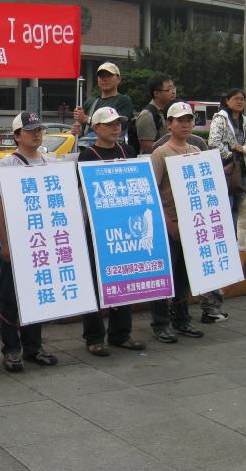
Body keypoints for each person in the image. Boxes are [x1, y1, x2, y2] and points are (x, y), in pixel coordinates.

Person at [0, 111, 59, 372]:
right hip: (14, 242)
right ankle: (11, 349)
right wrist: (5, 242)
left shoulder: (50, 161)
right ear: (17, 136)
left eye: (39, 130)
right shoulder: (7, 165)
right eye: (30, 131)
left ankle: (33, 346)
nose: (36, 134)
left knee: (37, 293)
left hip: (40, 242)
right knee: (9, 298)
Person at [78, 107, 146, 356]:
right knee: (95, 282)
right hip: (99, 228)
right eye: (109, 124)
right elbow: (85, 192)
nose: (116, 128)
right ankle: (94, 336)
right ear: (96, 128)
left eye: (118, 123)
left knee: (124, 277)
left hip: (126, 226)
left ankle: (121, 333)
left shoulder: (127, 151)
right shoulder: (87, 156)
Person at [148, 102, 205, 343]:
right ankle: (160, 323)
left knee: (184, 275)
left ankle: (182, 319)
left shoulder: (196, 150)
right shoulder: (160, 153)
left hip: (191, 224)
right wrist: (169, 223)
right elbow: (152, 192)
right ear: (169, 124)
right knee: (164, 276)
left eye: (189, 120)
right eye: (179, 120)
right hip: (168, 224)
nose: (185, 124)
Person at [207, 89, 246, 230]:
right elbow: (213, 142)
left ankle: (234, 239)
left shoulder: (245, 122)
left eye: (242, 99)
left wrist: (243, 149)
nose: (239, 101)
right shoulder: (220, 119)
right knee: (226, 208)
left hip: (241, 171)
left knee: (236, 209)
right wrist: (230, 153)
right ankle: (226, 237)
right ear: (227, 101)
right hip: (224, 170)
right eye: (236, 98)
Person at [72, 62, 134, 145]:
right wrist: (77, 131)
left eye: (109, 76)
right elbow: (83, 131)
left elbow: (117, 127)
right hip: (89, 148)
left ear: (119, 79)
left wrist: (86, 119)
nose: (104, 79)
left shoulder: (124, 101)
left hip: (112, 149)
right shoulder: (90, 102)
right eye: (101, 76)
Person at [135, 74, 177, 154]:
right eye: (169, 89)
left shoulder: (171, 111)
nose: (173, 92)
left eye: (174, 88)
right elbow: (148, 148)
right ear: (156, 93)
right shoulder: (147, 115)